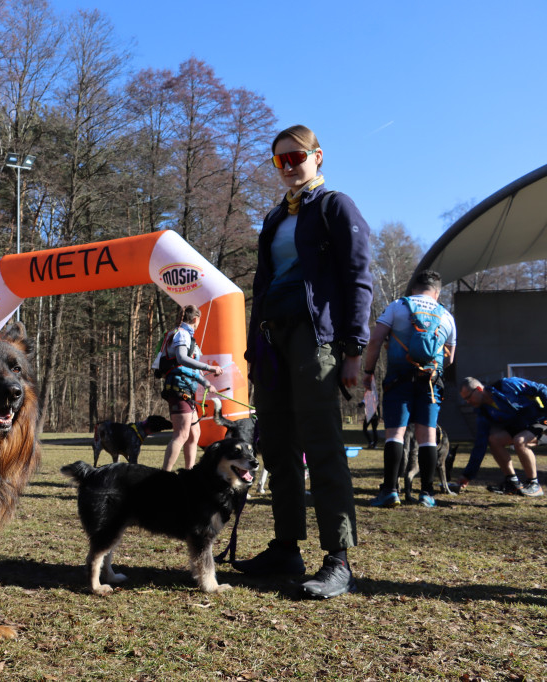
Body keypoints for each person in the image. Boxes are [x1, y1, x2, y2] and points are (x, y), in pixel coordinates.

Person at [234, 125, 373, 600]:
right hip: (273, 342)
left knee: (322, 443)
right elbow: (263, 286)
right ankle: (285, 547)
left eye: (296, 157)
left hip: (317, 340)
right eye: (281, 161)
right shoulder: (274, 218)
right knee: (276, 445)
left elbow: (358, 276)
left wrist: (354, 348)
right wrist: (254, 349)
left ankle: (338, 559)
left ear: (317, 156)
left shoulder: (336, 205)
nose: (290, 166)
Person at [363, 270, 456, 509]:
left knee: (395, 435)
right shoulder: (446, 315)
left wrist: (368, 372)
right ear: (437, 291)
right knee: (428, 438)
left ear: (413, 288)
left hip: (398, 379)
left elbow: (375, 340)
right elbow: (450, 358)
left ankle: (390, 491)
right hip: (431, 384)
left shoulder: (397, 306)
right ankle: (426, 493)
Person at [158, 305, 224, 472]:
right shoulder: (182, 334)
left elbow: (190, 367)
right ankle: (163, 476)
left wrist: (205, 382)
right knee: (181, 435)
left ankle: (190, 473)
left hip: (186, 388)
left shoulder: (184, 334)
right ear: (196, 319)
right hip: (179, 388)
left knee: (194, 434)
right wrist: (209, 368)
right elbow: (181, 358)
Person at [456, 376, 546, 497]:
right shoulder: (483, 412)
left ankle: (534, 485)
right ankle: (512, 483)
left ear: (478, 389)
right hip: (523, 427)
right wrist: (467, 475)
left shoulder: (506, 385)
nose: (467, 402)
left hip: (540, 419)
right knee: (494, 440)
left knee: (519, 441)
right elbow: (480, 445)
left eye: (468, 397)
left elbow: (540, 388)